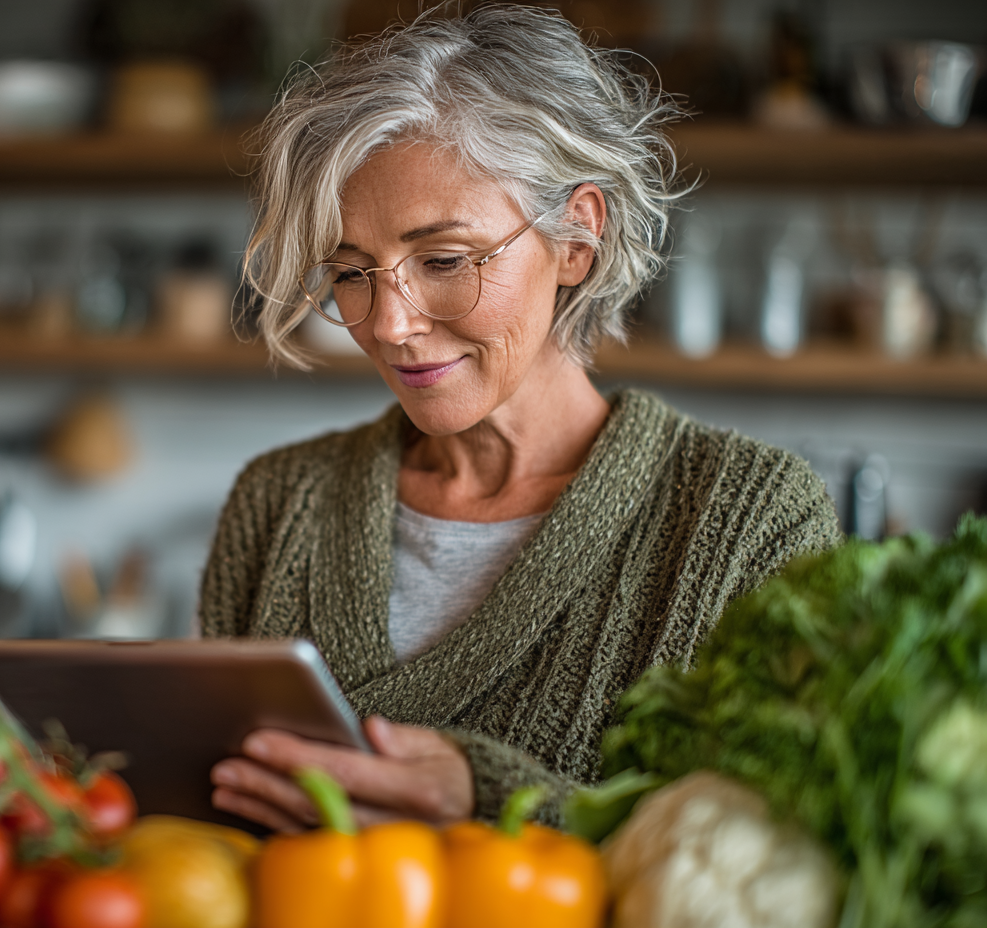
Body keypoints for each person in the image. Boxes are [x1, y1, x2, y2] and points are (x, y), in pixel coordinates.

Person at [201, 5, 840, 833]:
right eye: (351, 271)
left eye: (442, 261)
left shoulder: (751, 519)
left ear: (577, 237)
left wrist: (490, 801)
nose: (388, 324)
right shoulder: (277, 501)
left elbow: (785, 863)